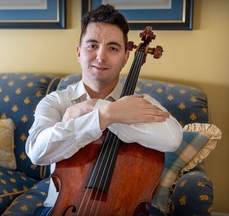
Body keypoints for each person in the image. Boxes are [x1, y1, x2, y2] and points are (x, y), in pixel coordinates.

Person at [26, 4, 183, 215]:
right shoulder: (55, 102)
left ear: (126, 57)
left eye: (113, 48)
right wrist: (106, 116)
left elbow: (172, 138)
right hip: (62, 208)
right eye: (92, 45)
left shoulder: (139, 103)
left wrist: (98, 108)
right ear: (79, 52)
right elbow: (37, 152)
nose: (101, 56)